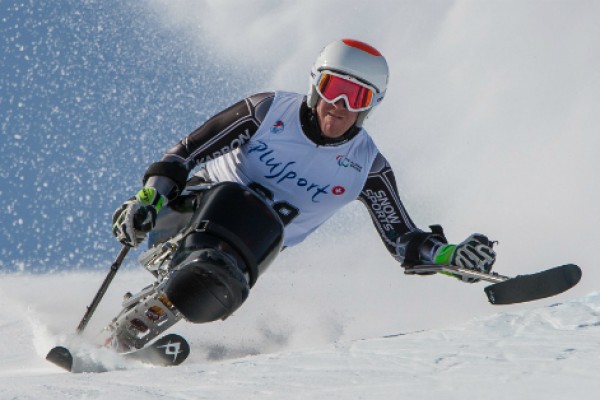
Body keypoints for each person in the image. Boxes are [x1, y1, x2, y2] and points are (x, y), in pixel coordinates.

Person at [112, 38, 496, 332]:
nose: (340, 104)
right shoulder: (266, 112)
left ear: (370, 106)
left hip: (246, 255)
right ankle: (185, 271)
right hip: (188, 214)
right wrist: (149, 198)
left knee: (262, 230)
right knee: (237, 201)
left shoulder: (367, 168)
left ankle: (156, 315)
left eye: (357, 96)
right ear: (315, 86)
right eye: (333, 88)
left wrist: (451, 257)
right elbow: (185, 154)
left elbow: (403, 241)